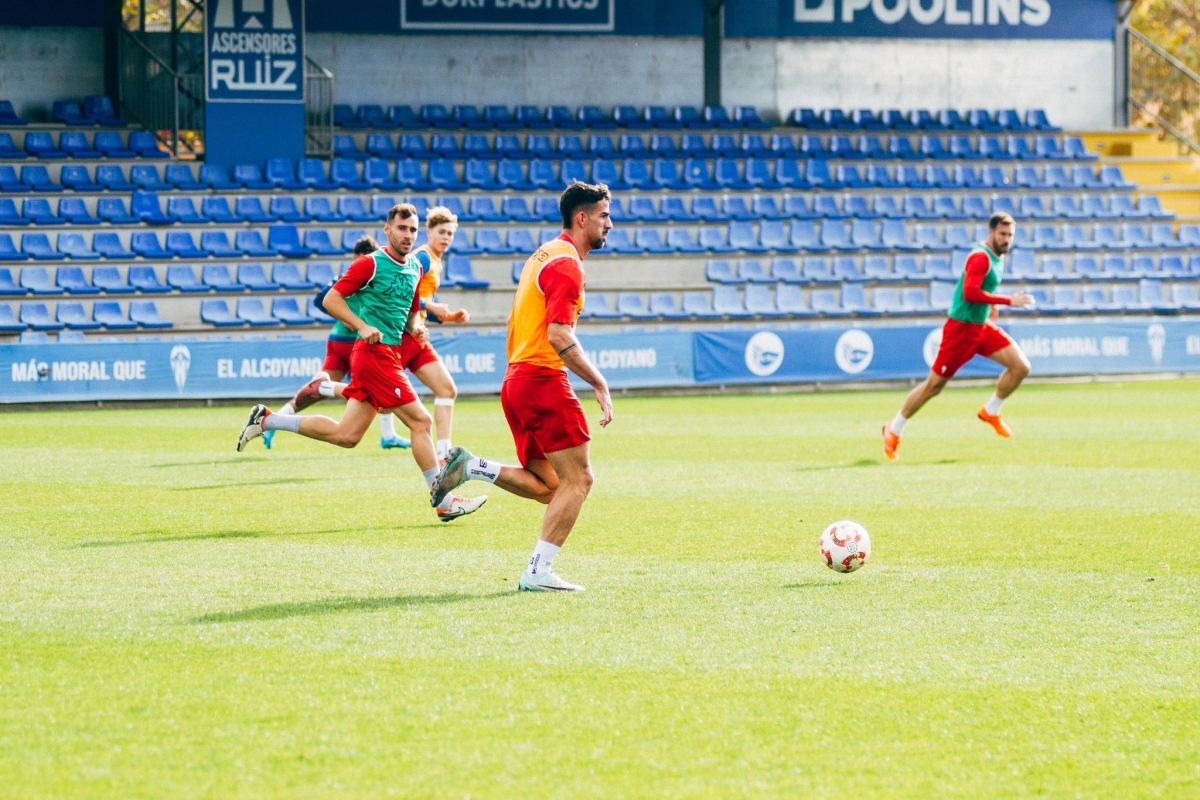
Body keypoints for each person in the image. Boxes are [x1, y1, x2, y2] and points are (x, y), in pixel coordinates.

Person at [236, 204, 487, 522]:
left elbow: (409, 316)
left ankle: (267, 420)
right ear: (388, 230)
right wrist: (361, 325)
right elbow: (330, 299)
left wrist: (417, 328)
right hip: (374, 355)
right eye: (401, 228)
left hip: (391, 352)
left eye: (411, 229)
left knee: (347, 436)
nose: (407, 235)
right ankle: (445, 502)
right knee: (421, 422)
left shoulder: (414, 268)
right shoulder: (371, 264)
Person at [429, 181, 614, 592]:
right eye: (604, 215)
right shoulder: (567, 264)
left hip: (517, 380)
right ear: (581, 218)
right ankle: (537, 573)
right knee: (579, 480)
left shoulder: (542, 254)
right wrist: (599, 382)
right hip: (542, 378)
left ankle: (472, 466)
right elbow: (559, 335)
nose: (610, 224)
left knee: (550, 485)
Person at [882, 211, 1035, 461]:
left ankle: (991, 411)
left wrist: (992, 305)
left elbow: (985, 286)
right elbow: (969, 292)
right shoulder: (979, 257)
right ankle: (893, 428)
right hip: (960, 330)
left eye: (1010, 235)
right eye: (1003, 234)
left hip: (980, 327)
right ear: (991, 232)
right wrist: (1006, 300)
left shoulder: (998, 256)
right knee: (933, 387)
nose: (1007, 239)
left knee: (1020, 367)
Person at [263, 236, 411, 451]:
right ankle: (386, 433)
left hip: (336, 341)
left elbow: (320, 298)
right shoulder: (370, 272)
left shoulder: (350, 273)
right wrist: (347, 319)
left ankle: (278, 417)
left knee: (315, 393)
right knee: (373, 391)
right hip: (355, 344)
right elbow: (323, 298)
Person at [406, 206, 472, 462]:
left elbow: (423, 302)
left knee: (447, 389)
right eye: (441, 232)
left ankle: (444, 455)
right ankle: (326, 388)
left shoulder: (436, 262)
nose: (446, 237)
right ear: (429, 231)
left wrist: (450, 316)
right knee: (370, 404)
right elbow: (400, 292)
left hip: (417, 337)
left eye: (450, 234)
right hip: (401, 336)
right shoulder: (422, 257)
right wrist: (429, 306)